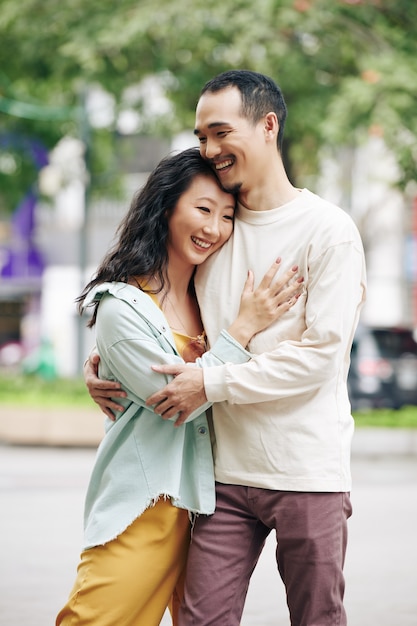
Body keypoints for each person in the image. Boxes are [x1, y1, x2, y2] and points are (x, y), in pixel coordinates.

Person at [86, 71, 366, 626]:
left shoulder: (328, 231)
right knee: (201, 619)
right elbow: (167, 318)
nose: (209, 150)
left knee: (318, 618)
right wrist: (107, 359)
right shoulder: (216, 228)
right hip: (220, 477)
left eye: (219, 132)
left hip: (306, 473)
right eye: (201, 137)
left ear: (268, 126)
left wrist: (209, 383)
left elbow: (320, 357)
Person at [57, 146, 302, 626]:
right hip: (145, 510)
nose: (214, 228)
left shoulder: (212, 295)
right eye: (203, 209)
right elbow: (177, 404)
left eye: (227, 216)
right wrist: (241, 330)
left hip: (209, 513)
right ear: (166, 207)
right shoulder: (122, 305)